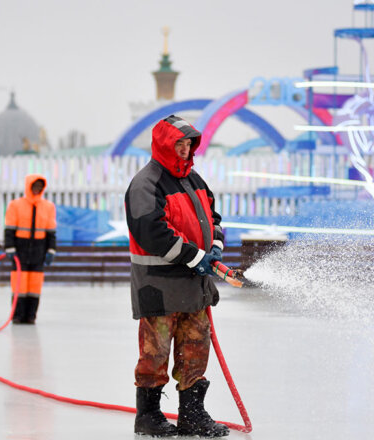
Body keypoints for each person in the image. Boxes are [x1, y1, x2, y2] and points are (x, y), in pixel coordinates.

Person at [125, 115, 228, 437]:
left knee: (195, 348)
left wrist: (215, 245)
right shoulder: (146, 184)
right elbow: (151, 232)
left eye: (189, 144)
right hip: (159, 285)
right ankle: (149, 416)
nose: (185, 150)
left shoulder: (194, 180)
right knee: (155, 352)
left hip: (194, 285)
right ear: (164, 145)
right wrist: (196, 257)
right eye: (179, 144)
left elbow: (213, 215)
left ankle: (192, 414)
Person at [4, 174, 56, 325]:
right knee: (19, 285)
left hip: (38, 252)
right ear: (29, 186)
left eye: (40, 186)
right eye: (34, 186)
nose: (37, 189)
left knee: (34, 286)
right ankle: (18, 316)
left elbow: (51, 232)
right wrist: (10, 248)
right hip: (20, 251)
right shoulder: (16, 205)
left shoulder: (48, 207)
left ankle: (31, 316)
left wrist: (51, 251)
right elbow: (9, 230)